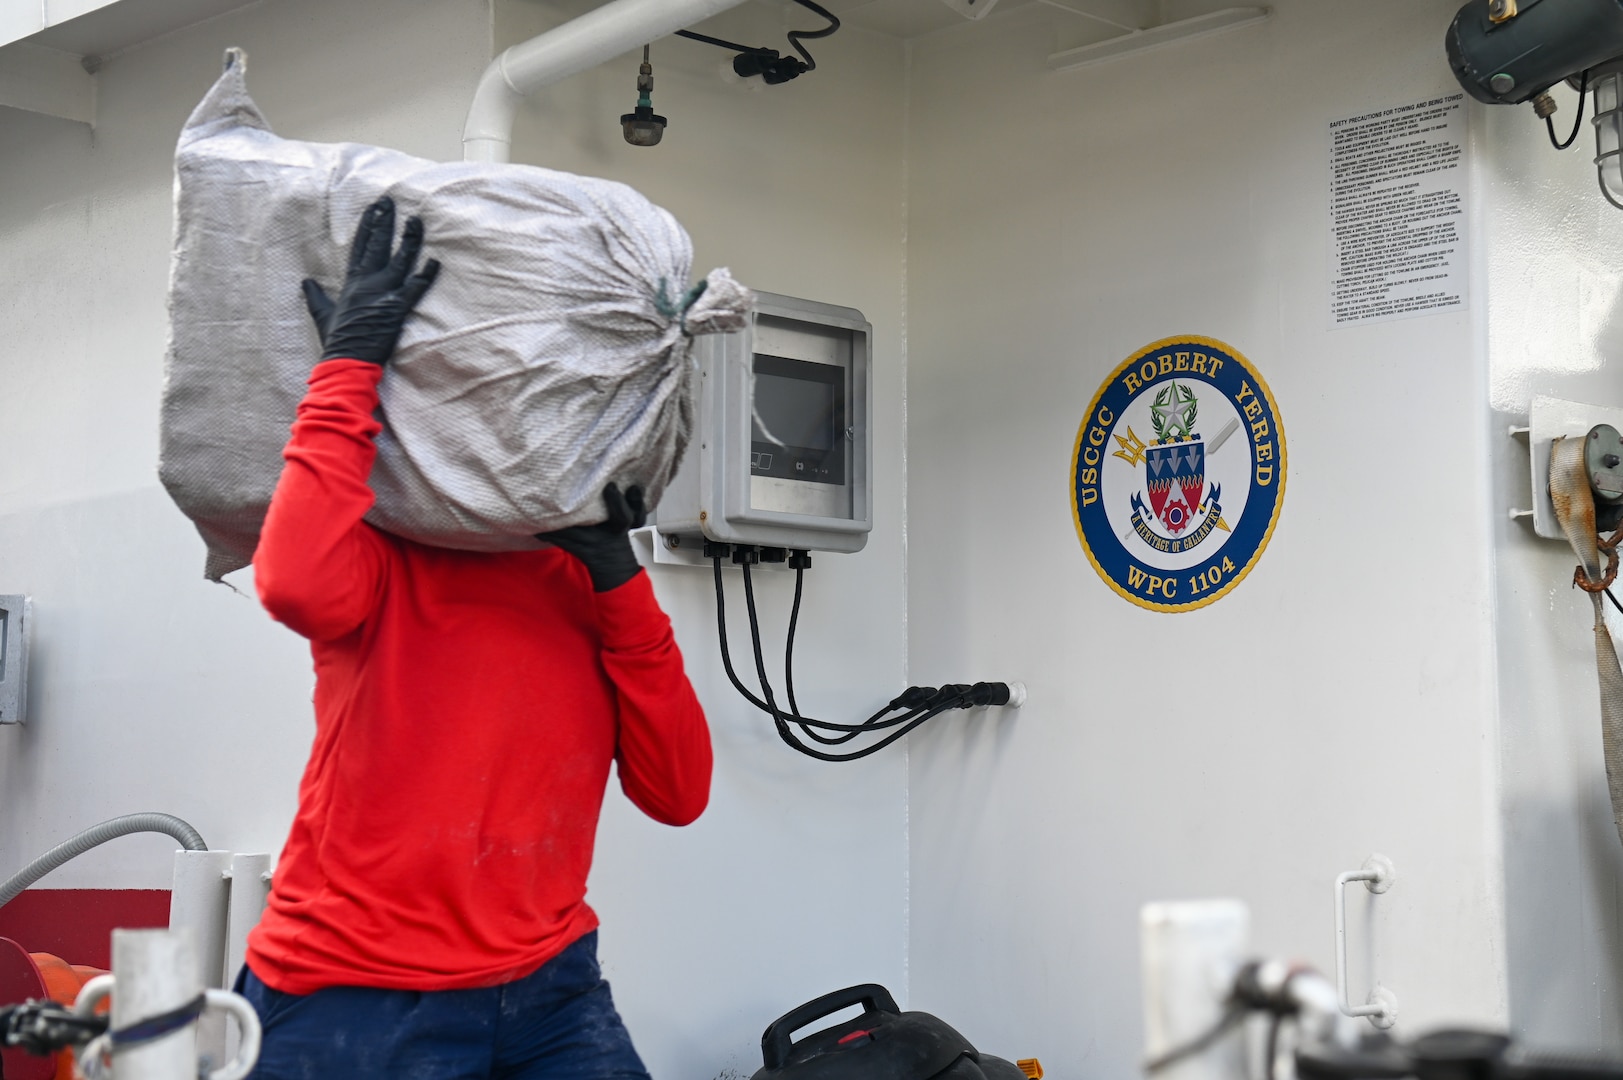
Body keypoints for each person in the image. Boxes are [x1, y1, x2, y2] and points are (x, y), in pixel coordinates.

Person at [237, 196, 712, 1079]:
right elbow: (293, 583)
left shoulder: (587, 584)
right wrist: (351, 364)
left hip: (549, 988)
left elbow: (678, 791)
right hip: (352, 991)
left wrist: (618, 574)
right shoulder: (384, 553)